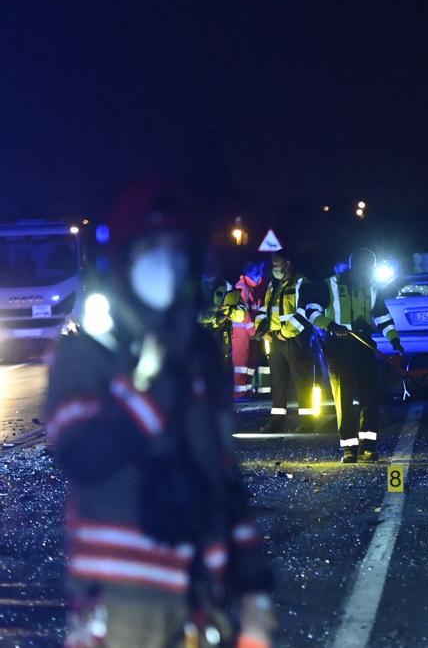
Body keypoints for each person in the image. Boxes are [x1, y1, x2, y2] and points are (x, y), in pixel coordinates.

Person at [46, 181, 274, 647]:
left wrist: (255, 599)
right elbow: (82, 455)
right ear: (124, 260)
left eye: (175, 248)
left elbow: (223, 479)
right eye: (151, 247)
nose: (164, 262)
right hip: (124, 604)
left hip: (200, 600)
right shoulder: (89, 354)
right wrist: (148, 384)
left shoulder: (197, 357)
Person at [313, 248, 403, 463]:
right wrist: (331, 326)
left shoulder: (372, 286)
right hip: (338, 347)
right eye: (367, 269)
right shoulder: (329, 285)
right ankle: (349, 449)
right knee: (343, 399)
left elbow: (383, 317)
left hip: (363, 346)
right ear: (355, 267)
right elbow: (312, 312)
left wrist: (395, 341)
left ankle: (369, 447)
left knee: (370, 398)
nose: (369, 274)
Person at [254, 250, 322, 433]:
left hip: (296, 339)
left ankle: (307, 423)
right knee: (278, 382)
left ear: (288, 264)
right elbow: (263, 310)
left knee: (302, 380)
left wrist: (285, 333)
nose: (274, 268)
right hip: (274, 338)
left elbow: (303, 313)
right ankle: (277, 422)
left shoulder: (302, 283)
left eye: (277, 265)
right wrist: (263, 331)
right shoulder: (273, 285)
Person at [229, 261, 269, 400]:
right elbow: (244, 313)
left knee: (250, 364)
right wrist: (254, 331)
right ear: (250, 275)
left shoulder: (256, 288)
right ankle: (239, 394)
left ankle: (246, 391)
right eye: (257, 274)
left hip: (252, 332)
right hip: (241, 333)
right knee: (241, 364)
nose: (260, 277)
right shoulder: (241, 288)